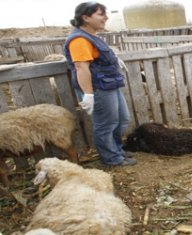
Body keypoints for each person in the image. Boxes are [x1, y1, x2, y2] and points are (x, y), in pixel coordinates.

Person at [64, 1, 136, 166]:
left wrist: (113, 58)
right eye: (101, 14)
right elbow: (81, 67)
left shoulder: (92, 36)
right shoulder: (79, 40)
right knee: (106, 124)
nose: (106, 17)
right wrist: (88, 94)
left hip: (110, 85)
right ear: (86, 17)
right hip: (98, 88)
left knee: (122, 119)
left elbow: (97, 58)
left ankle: (117, 150)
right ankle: (111, 159)